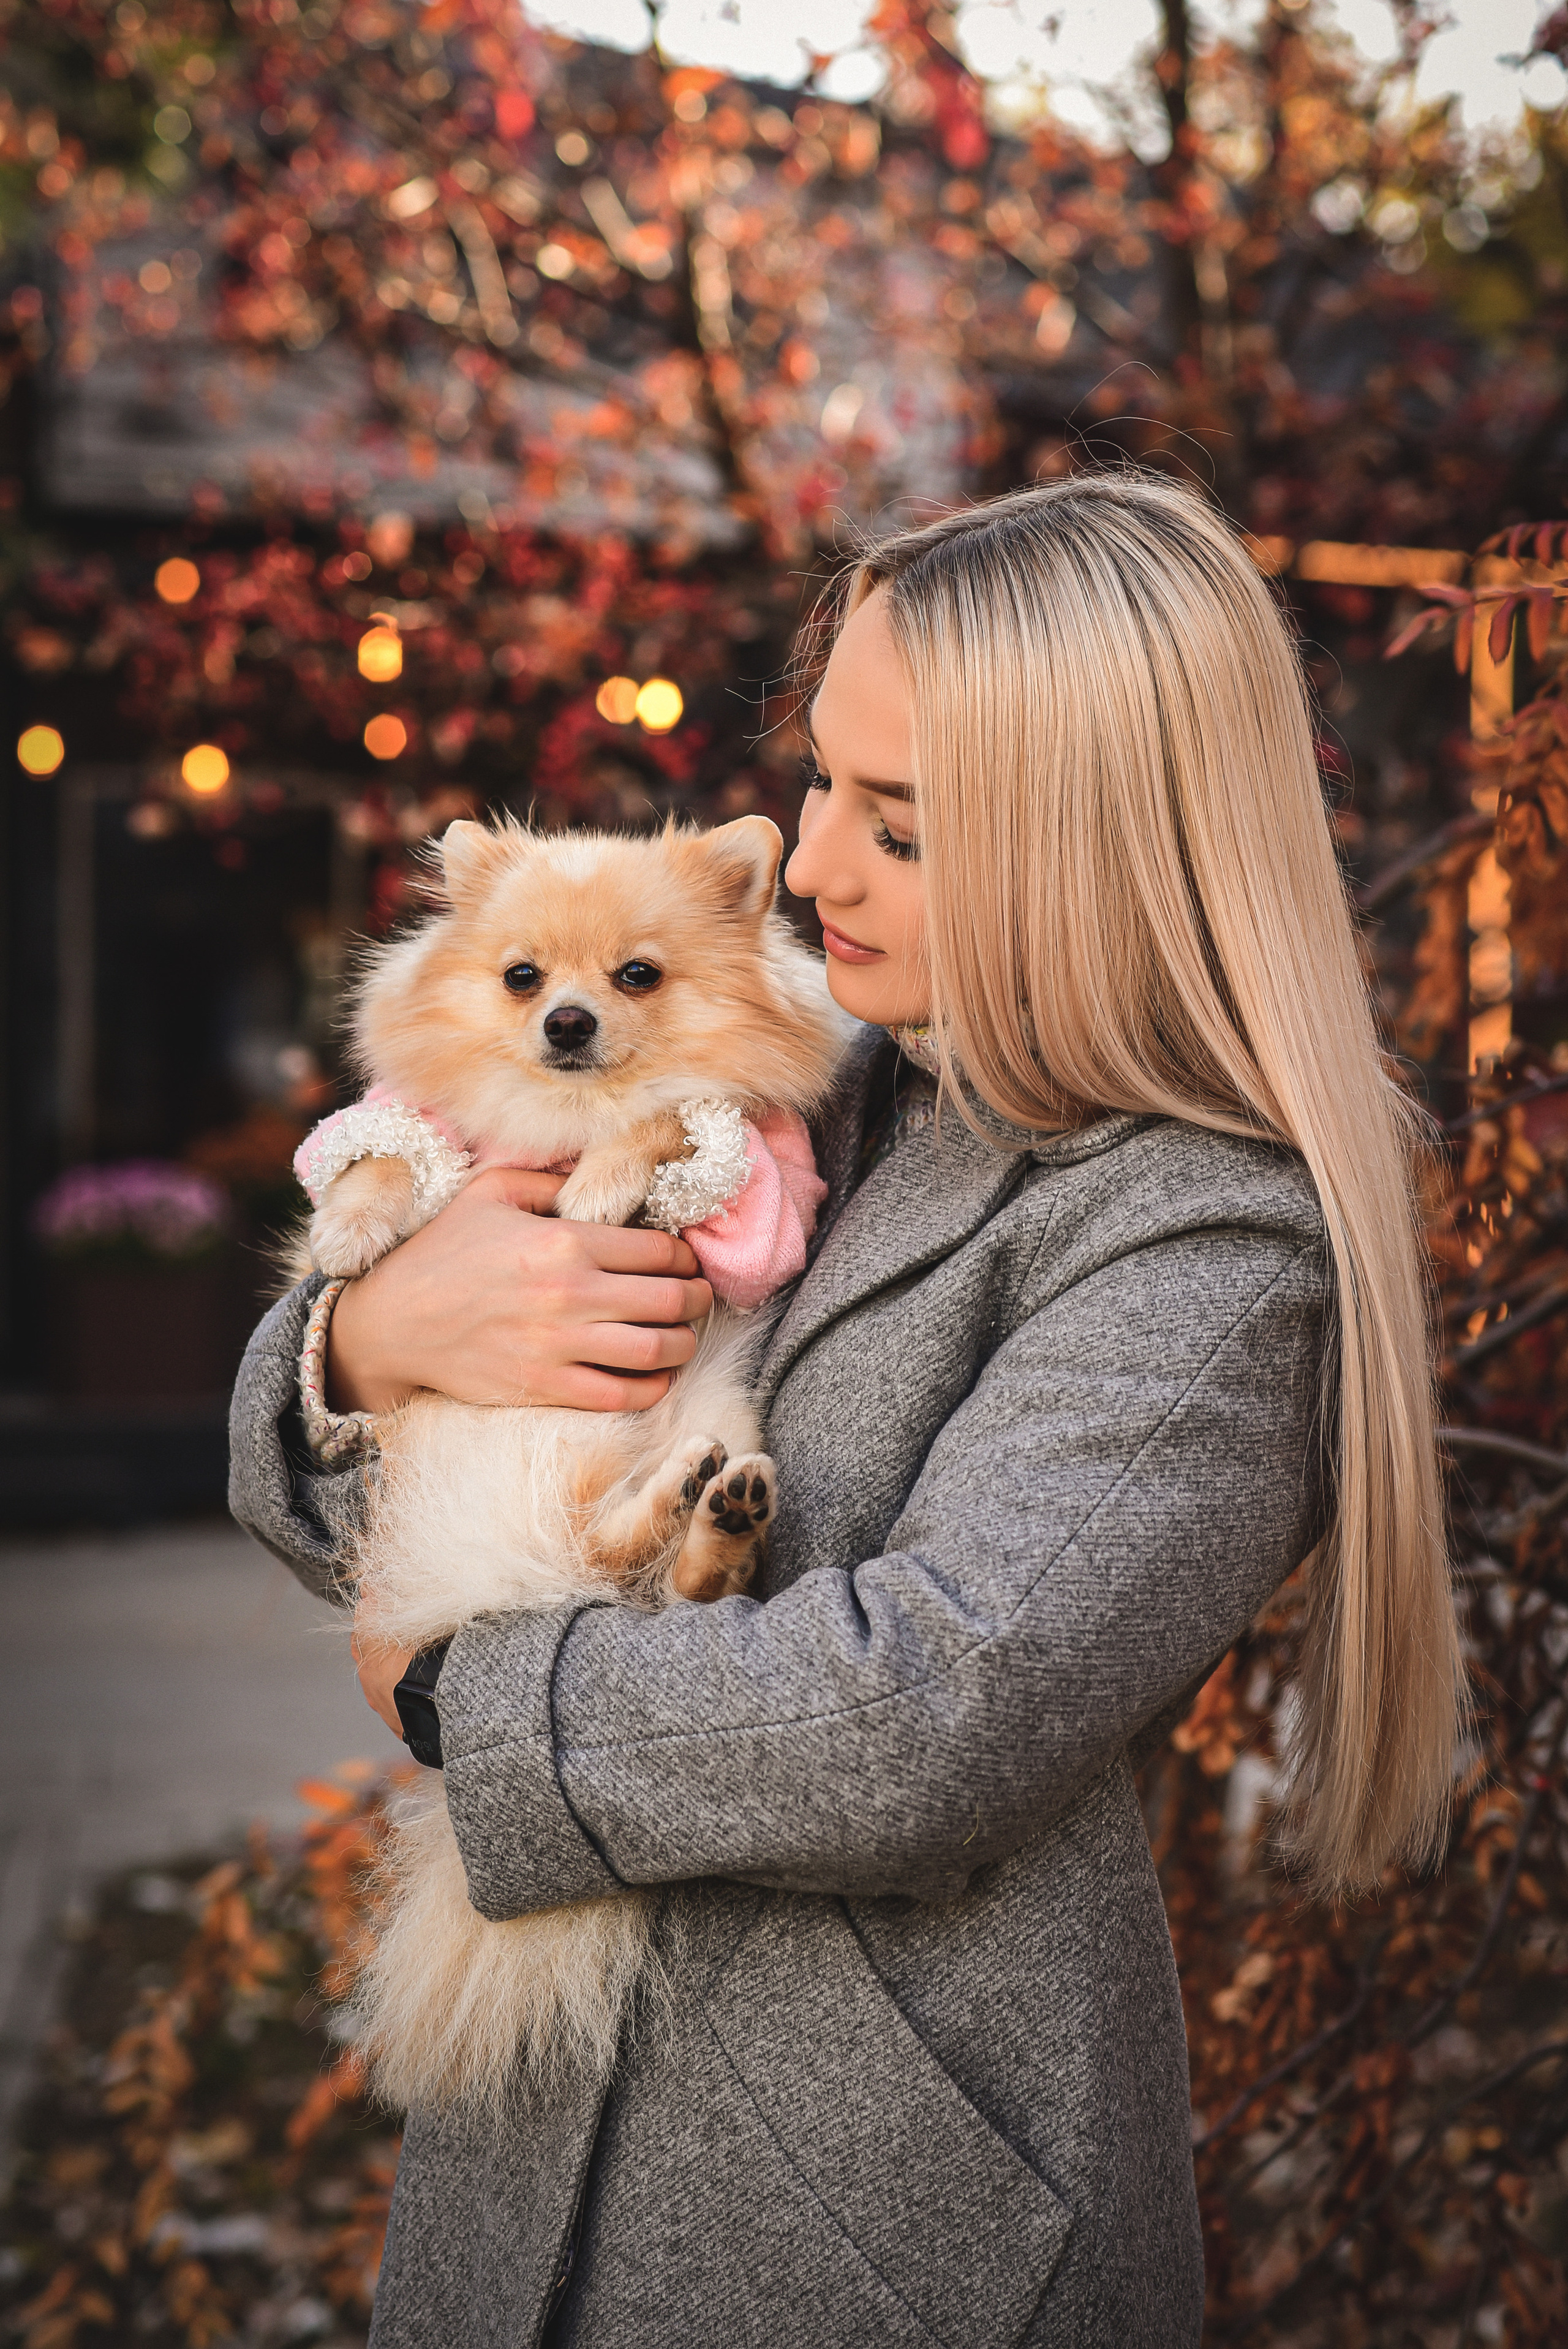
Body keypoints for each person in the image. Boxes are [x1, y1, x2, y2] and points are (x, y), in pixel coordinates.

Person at [230, 471, 1461, 2348]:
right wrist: (374, 1340)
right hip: (535, 2155)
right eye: (821, 781)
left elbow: (935, 1709)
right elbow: (338, 1480)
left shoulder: (1212, 1233)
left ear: (1091, 848)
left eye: (898, 823)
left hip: (884, 2215)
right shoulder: (804, 1077)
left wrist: (459, 1693)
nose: (808, 866)